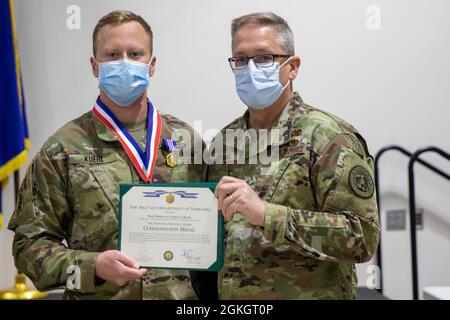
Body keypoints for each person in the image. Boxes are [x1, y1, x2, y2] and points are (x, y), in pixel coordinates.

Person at [8, 10, 204, 300]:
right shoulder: (62, 149)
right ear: (94, 65)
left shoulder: (188, 142)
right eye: (112, 54)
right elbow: (28, 249)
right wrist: (93, 267)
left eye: (135, 53)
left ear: (151, 65)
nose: (124, 62)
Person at [206, 12, 380, 299]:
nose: (250, 68)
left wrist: (266, 215)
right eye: (240, 59)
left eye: (263, 58)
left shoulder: (329, 137)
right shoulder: (224, 142)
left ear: (292, 67)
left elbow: (361, 237)